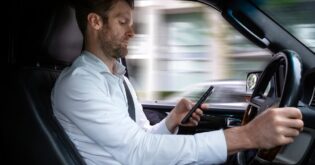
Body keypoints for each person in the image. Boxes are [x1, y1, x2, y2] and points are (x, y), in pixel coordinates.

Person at [51, 0, 304, 164]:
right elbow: (137, 152)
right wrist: (247, 136)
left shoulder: (118, 80)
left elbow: (143, 137)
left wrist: (171, 119)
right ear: (95, 22)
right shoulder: (78, 84)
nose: (133, 31)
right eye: (123, 22)